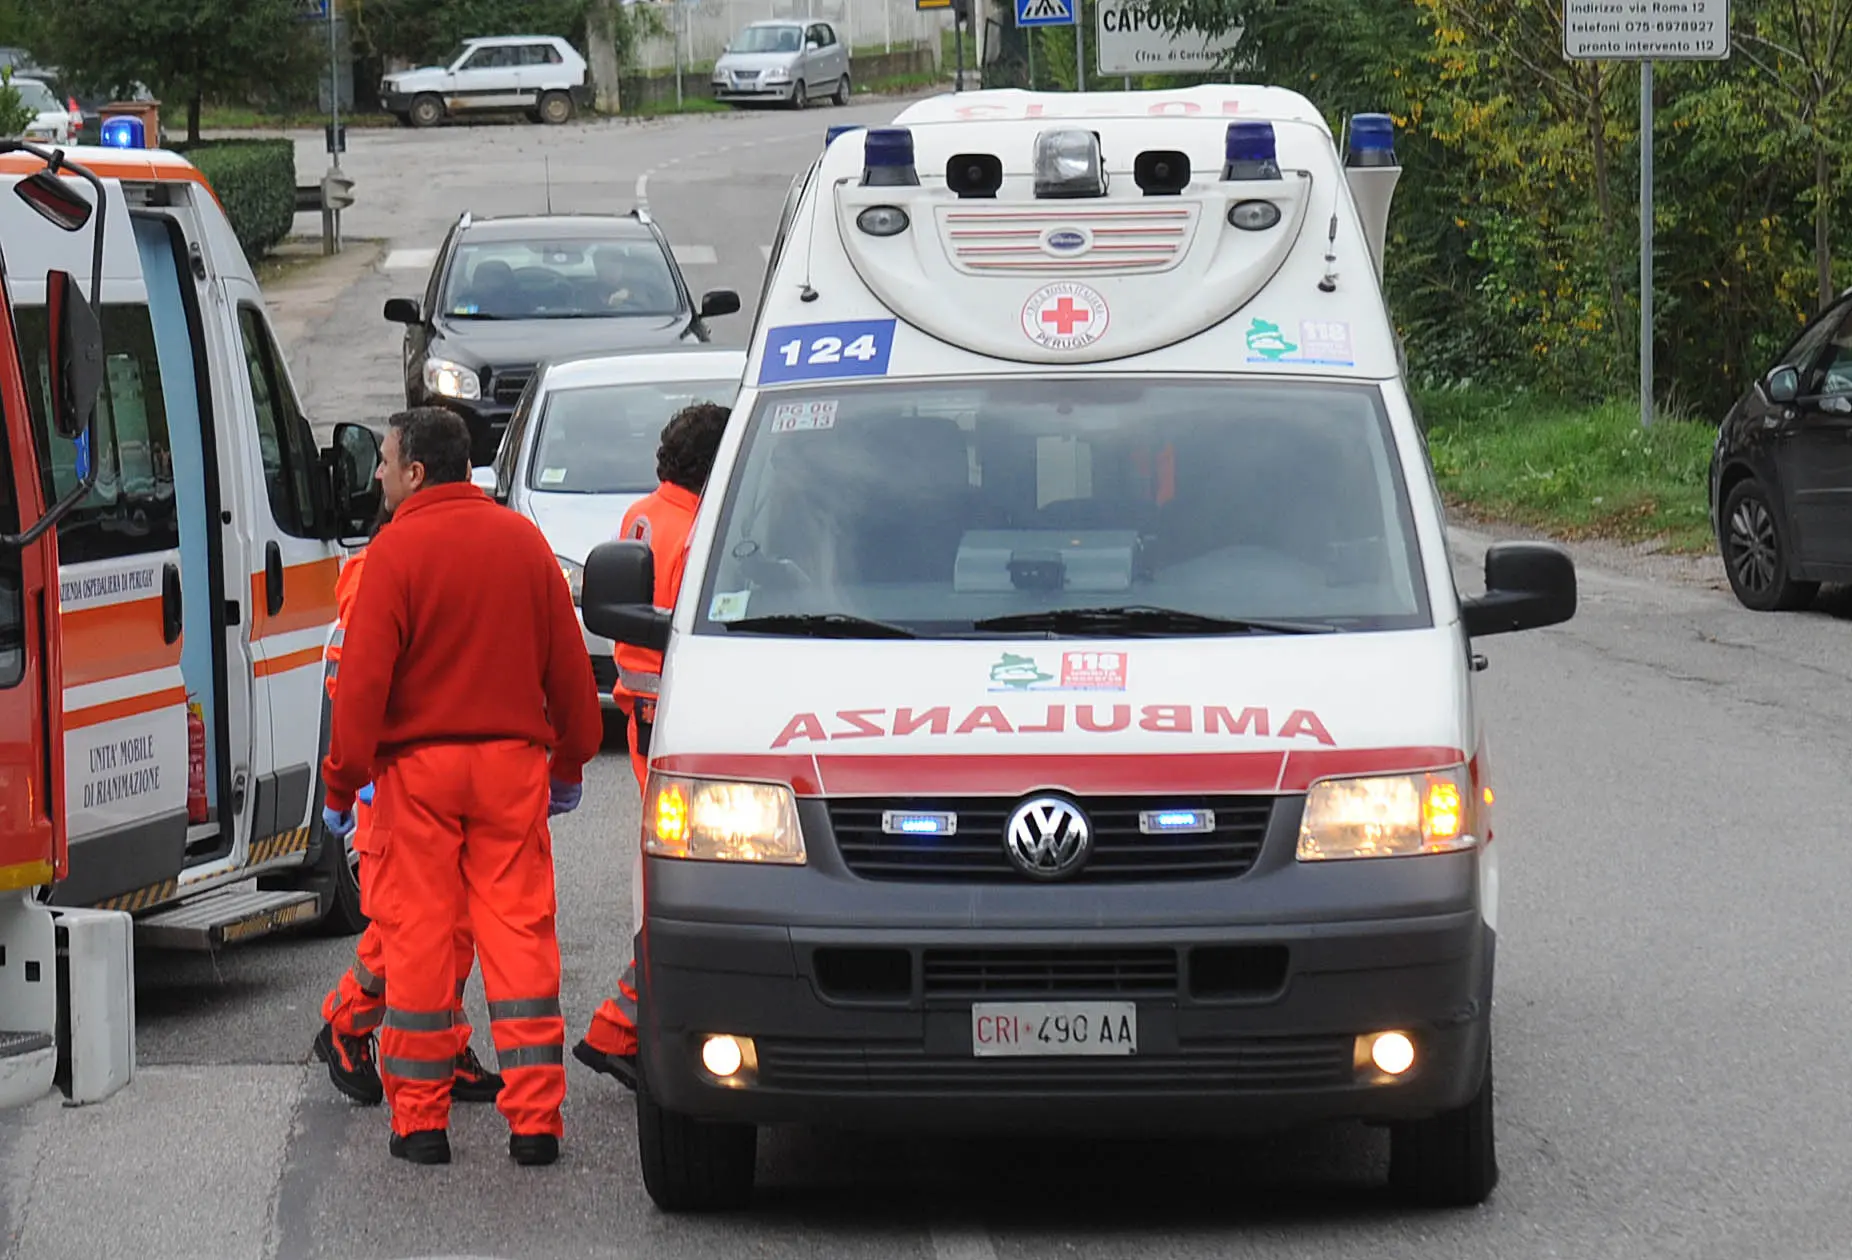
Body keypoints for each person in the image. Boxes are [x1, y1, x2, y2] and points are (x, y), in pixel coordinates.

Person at [321, 407, 603, 1167]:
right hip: (511, 767)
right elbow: (569, 670)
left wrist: (343, 786)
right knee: (519, 939)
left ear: (416, 472)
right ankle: (536, 1124)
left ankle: (419, 1123)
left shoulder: (392, 554)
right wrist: (572, 762)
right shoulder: (522, 542)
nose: (376, 474)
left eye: (384, 462)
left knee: (419, 936)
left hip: (417, 774)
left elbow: (363, 688)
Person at [313, 500, 505, 1109]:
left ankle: (440, 1041)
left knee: (452, 925)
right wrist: (358, 775)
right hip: (393, 781)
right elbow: (349, 680)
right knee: (409, 927)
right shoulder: (377, 571)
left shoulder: (413, 561)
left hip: (429, 774)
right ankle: (348, 1025)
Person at [572, 402, 731, 1091]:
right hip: (675, 721)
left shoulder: (643, 513)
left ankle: (618, 1029)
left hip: (642, 715)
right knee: (694, 883)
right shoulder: (701, 527)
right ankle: (616, 1028)